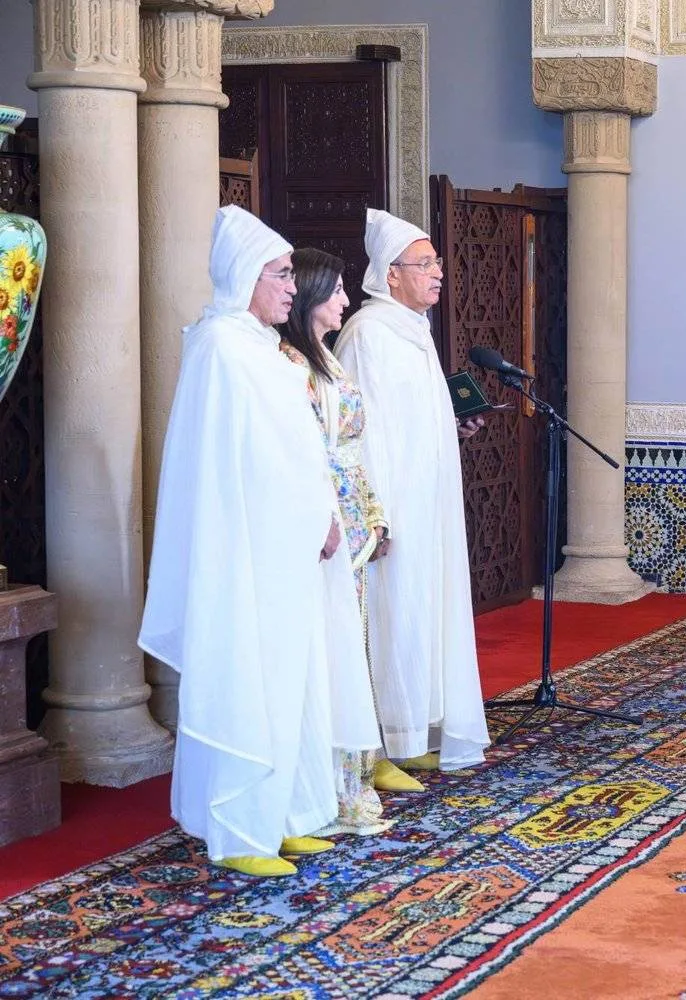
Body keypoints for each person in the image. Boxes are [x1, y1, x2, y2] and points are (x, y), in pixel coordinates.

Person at [139, 206, 381, 877]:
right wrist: (297, 518)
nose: (287, 285)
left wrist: (322, 516)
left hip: (294, 546)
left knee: (297, 681)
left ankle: (290, 814)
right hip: (251, 549)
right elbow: (226, 465)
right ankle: (241, 830)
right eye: (277, 274)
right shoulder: (219, 345)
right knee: (252, 679)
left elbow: (296, 449)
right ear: (244, 275)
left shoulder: (260, 346)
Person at [333, 209, 490, 774]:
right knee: (390, 613)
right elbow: (358, 433)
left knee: (421, 612)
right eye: (424, 264)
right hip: (392, 508)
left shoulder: (413, 332)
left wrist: (456, 425)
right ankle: (379, 741)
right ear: (389, 274)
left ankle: (410, 731)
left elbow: (413, 419)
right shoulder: (368, 334)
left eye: (436, 262)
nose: (437, 273)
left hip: (430, 503)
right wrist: (377, 517)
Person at [278, 247, 416, 817]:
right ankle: (329, 781)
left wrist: (373, 513)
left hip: (352, 515)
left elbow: (352, 448)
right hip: (322, 521)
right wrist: (324, 517)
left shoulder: (327, 359)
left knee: (354, 643)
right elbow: (302, 451)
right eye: (334, 289)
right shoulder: (287, 363)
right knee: (329, 648)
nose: (344, 299)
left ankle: (358, 766)